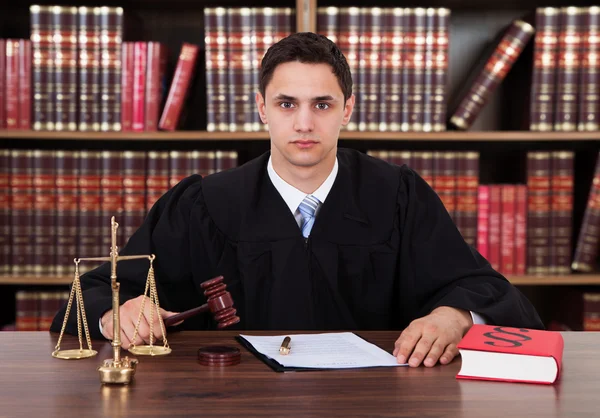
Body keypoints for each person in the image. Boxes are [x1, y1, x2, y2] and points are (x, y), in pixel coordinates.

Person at [51, 32, 543, 368]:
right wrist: (115, 313)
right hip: (232, 406)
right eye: (287, 104)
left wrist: (454, 316)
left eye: (322, 104)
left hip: (375, 408)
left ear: (347, 109)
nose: (304, 124)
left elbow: (481, 286)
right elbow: (92, 290)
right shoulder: (204, 203)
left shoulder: (396, 195)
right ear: (262, 108)